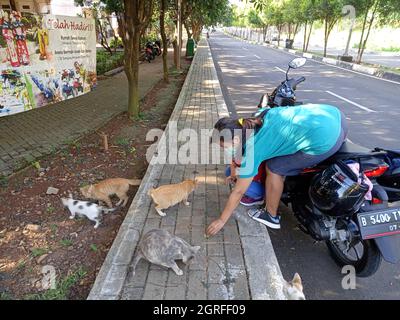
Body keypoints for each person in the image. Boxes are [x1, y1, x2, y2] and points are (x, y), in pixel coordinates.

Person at [206, 104, 348, 236]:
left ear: (236, 141)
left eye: (223, 146)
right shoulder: (256, 118)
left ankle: (271, 215)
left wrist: (221, 220)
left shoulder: (253, 150)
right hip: (336, 116)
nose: (224, 150)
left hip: (326, 140)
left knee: (274, 167)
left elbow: (239, 191)